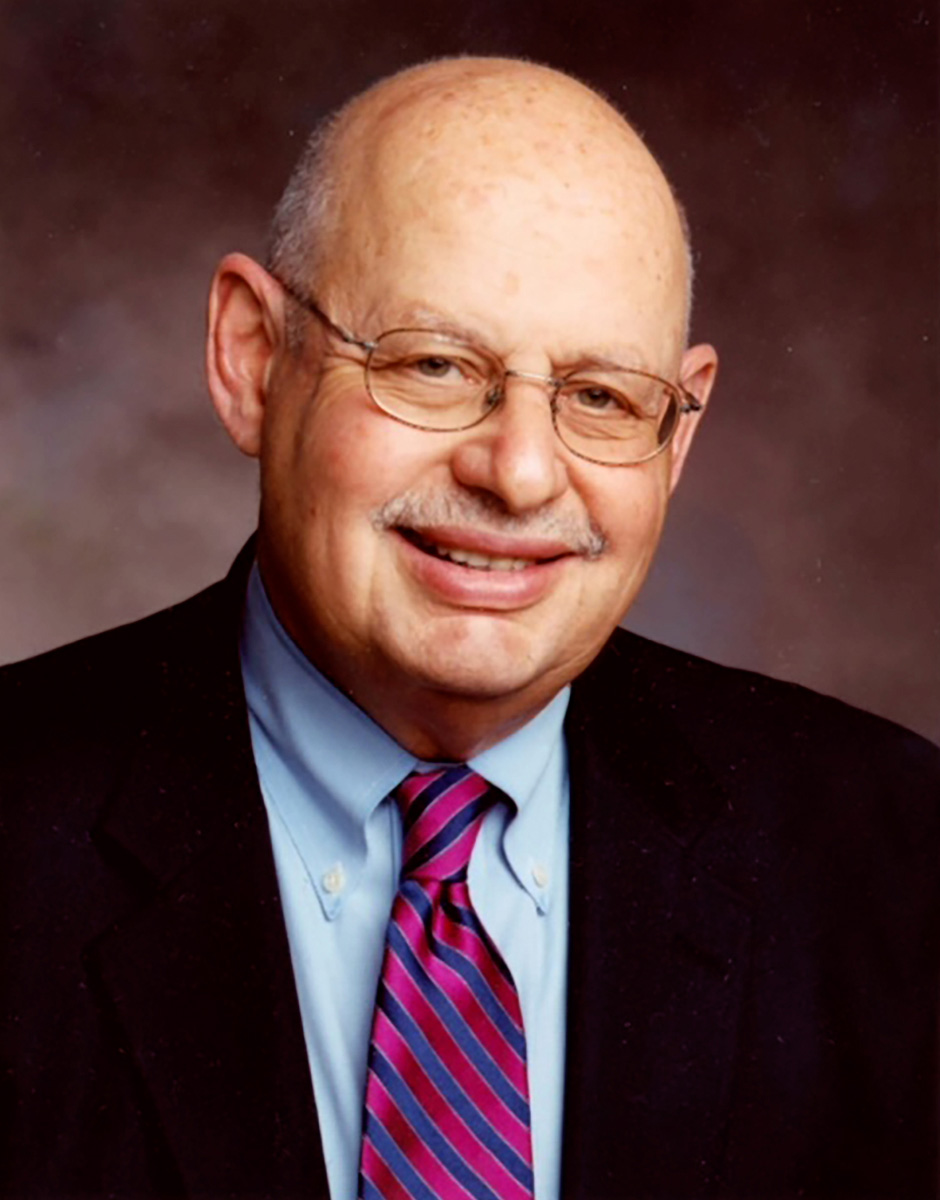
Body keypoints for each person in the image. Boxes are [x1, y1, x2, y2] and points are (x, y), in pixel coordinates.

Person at [1, 56, 937, 1200]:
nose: (521, 471)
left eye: (601, 396)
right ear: (252, 357)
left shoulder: (891, 859)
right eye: (433, 366)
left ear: (676, 439)